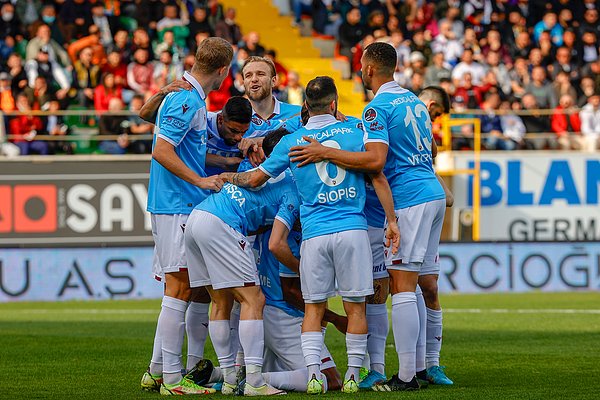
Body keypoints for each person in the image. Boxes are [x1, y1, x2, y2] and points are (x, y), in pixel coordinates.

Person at [218, 76, 400, 394]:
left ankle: (314, 374)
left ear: (305, 105)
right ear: (334, 103)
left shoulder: (292, 141)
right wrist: (392, 221)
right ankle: (355, 376)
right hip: (352, 230)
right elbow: (378, 174)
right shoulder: (355, 133)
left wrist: (227, 174)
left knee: (314, 307)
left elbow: (256, 179)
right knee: (356, 306)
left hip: (314, 234)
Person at [286, 42, 446, 391]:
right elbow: (431, 148)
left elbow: (375, 162)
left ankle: (406, 376)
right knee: (413, 285)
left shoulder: (377, 108)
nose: (359, 71)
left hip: (407, 199)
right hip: (431, 192)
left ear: (370, 69)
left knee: (402, 287)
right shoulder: (416, 102)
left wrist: (324, 151)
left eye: (361, 66)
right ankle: (419, 366)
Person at [140, 36, 233, 396]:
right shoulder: (187, 99)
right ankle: (173, 381)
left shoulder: (182, 96)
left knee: (180, 288)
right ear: (223, 71)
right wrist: (199, 180)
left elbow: (150, 120)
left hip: (174, 203)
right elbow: (162, 151)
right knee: (178, 289)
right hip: (178, 203)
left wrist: (225, 163)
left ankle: (156, 370)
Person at [185, 129, 302, 396]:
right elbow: (277, 242)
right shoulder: (294, 187)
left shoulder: (260, 168)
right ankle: (254, 381)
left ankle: (228, 378)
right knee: (254, 300)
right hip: (222, 223)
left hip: (198, 217)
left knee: (221, 301)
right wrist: (302, 269)